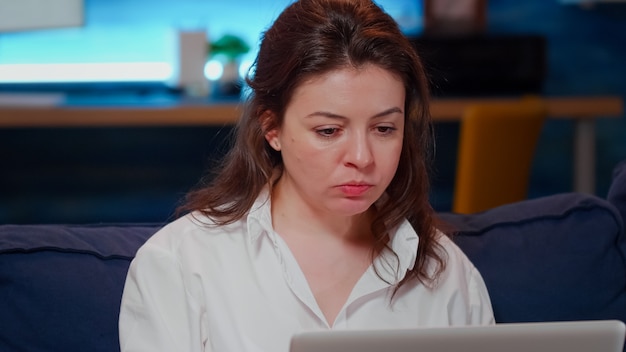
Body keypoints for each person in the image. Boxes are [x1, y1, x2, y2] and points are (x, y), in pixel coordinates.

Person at [118, 0, 494, 351]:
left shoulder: (446, 273)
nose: (362, 158)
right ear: (272, 128)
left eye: (384, 129)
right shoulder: (179, 264)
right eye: (329, 131)